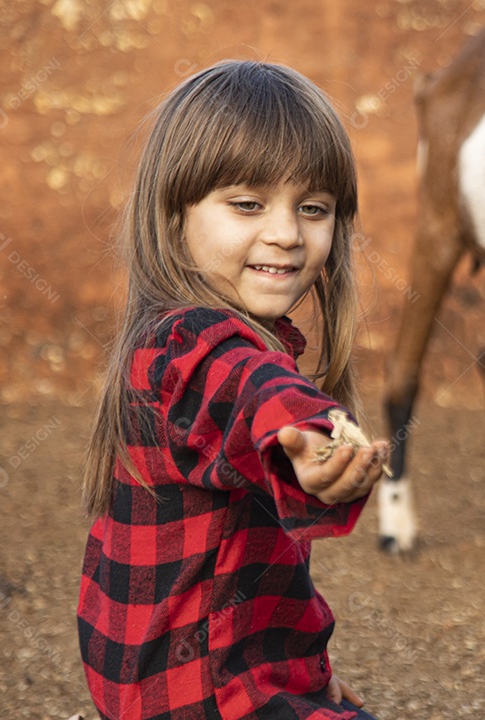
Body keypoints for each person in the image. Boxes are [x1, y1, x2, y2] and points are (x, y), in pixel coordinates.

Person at [78, 60, 388, 720]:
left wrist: (304, 673)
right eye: (247, 204)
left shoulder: (211, 343)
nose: (285, 232)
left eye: (313, 208)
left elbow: (243, 578)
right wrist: (307, 436)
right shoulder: (187, 345)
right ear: (173, 219)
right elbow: (249, 392)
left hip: (208, 682)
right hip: (209, 698)